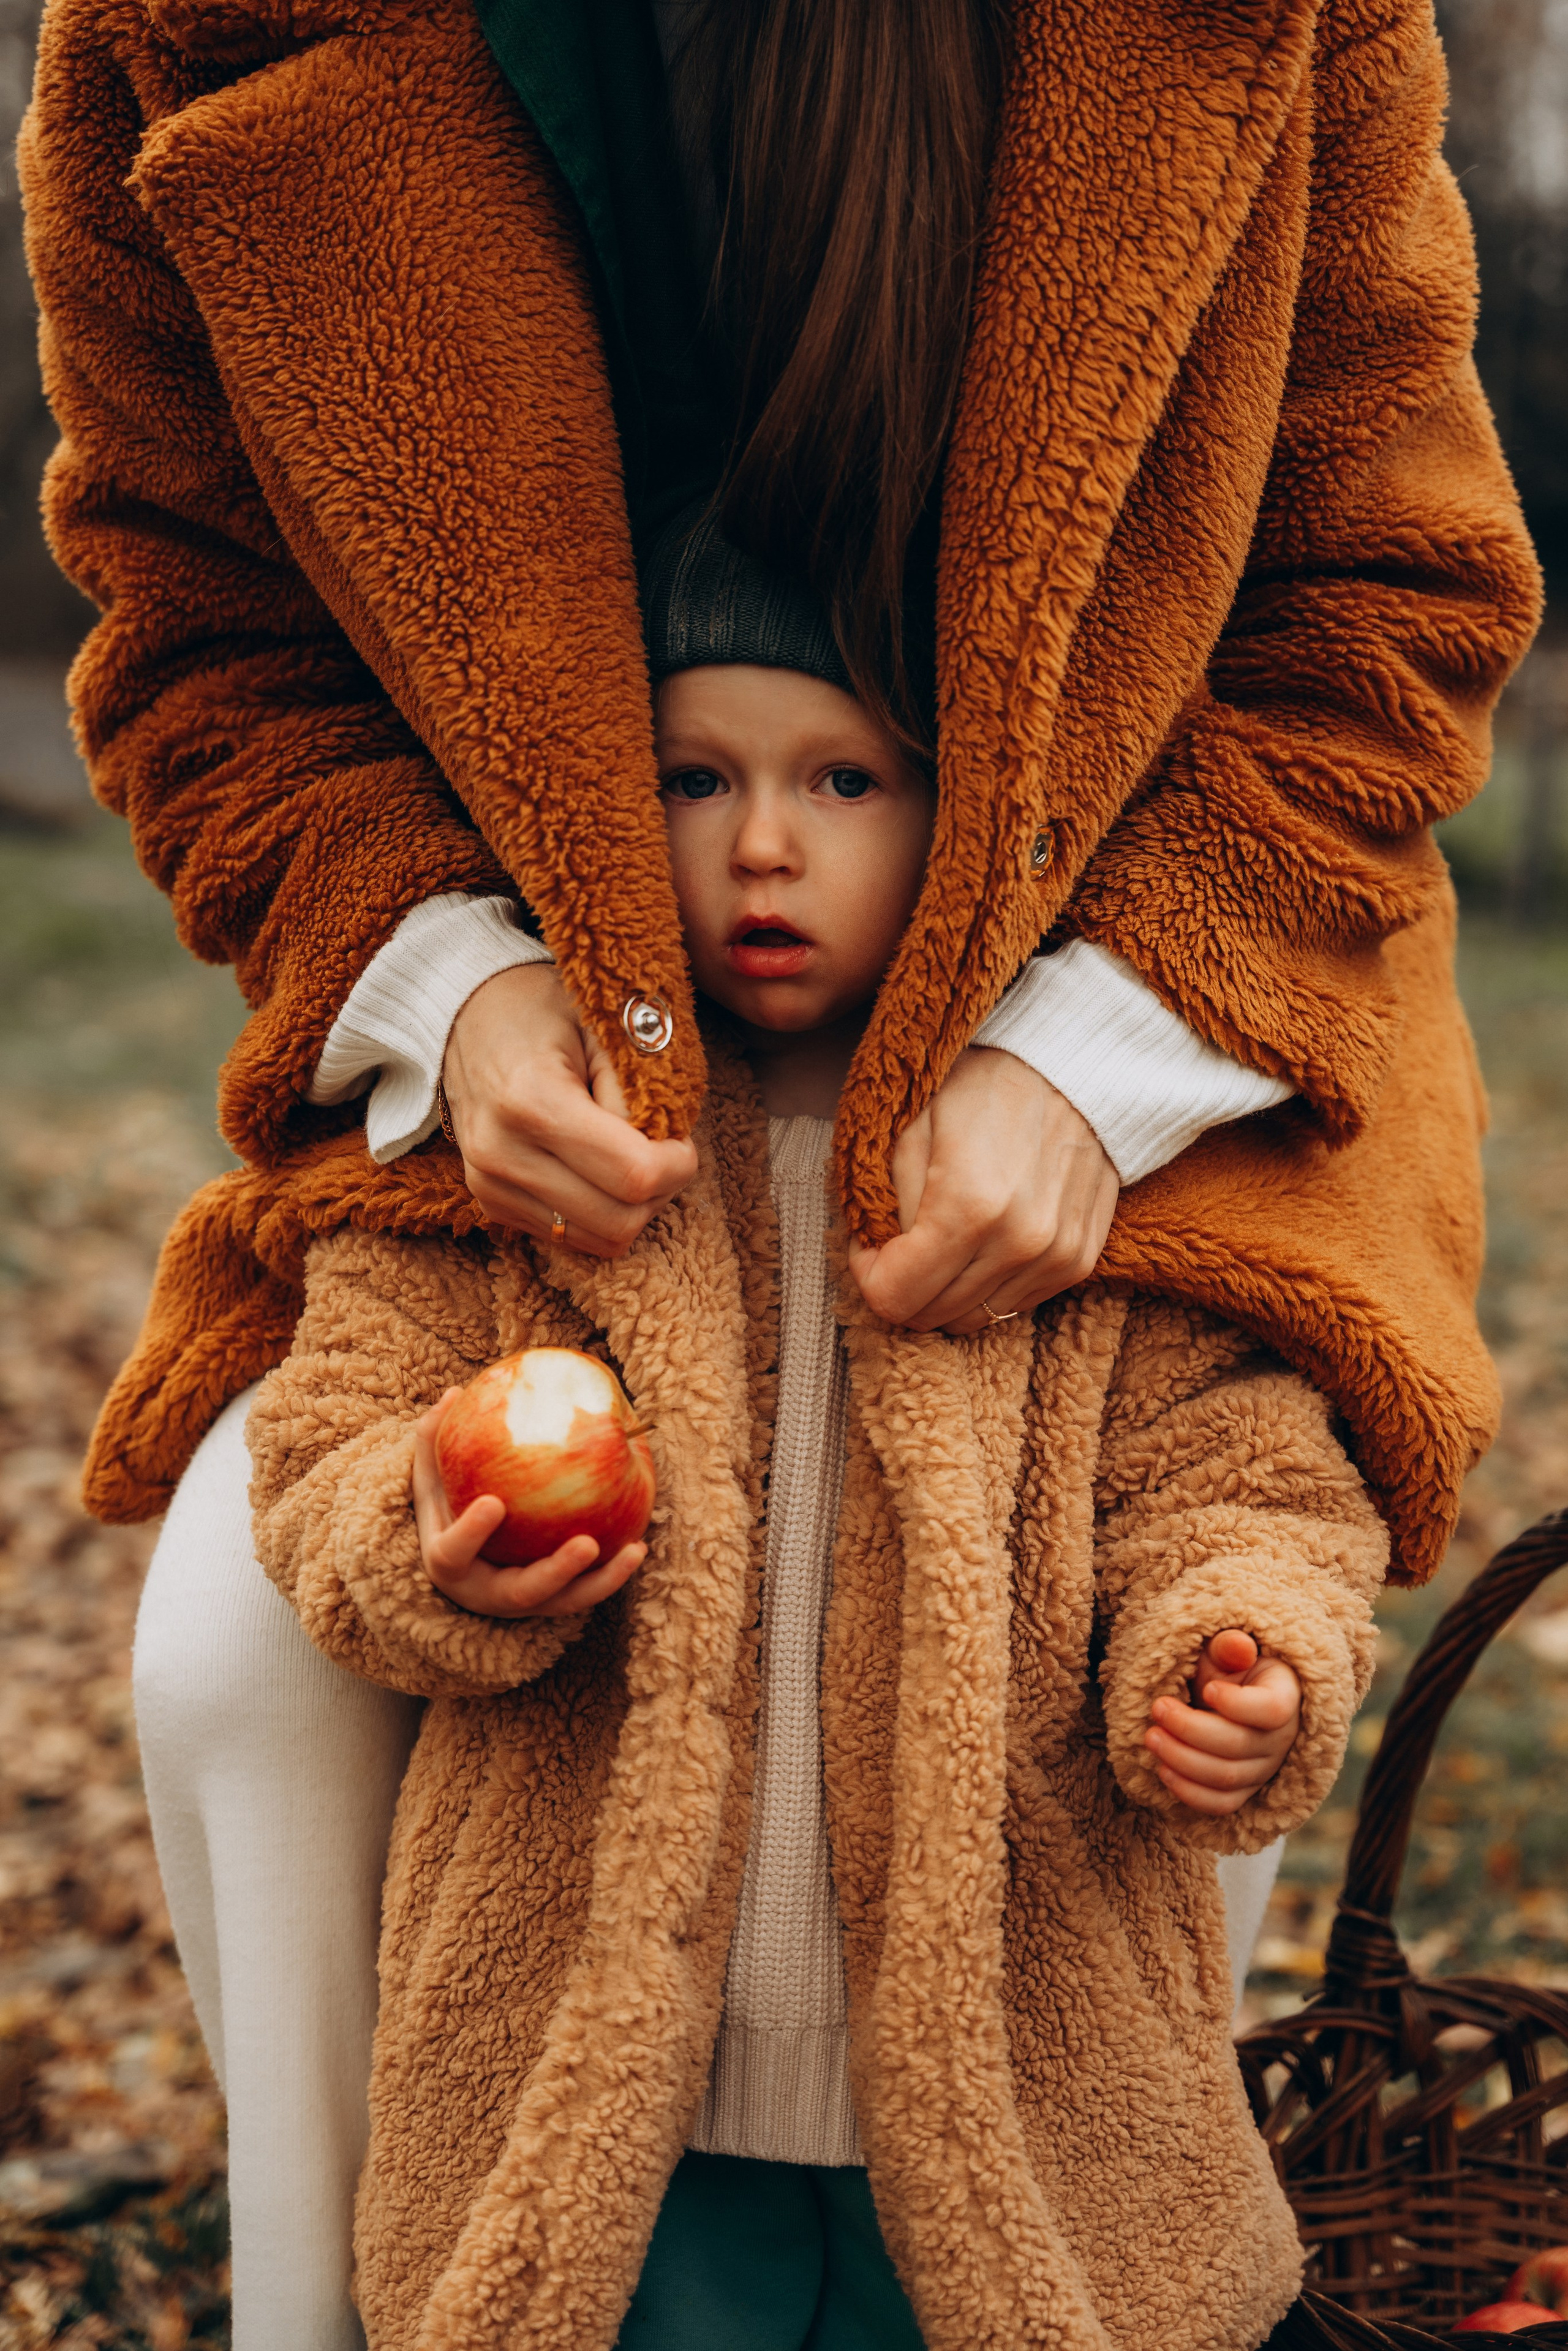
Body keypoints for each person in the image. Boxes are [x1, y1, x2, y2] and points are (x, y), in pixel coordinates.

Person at [18, 0, 1536, 2338]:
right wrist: (439, 974)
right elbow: (198, 629)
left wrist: (1105, 1049)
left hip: (1187, 988)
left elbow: (1387, 605)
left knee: (1096, 1651)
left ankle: (1079, 2208)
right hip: (535, 1021)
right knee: (236, 1663)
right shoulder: (188, 27)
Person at [246, 535, 1387, 2350]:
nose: (761, 844)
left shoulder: (1065, 1182)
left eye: (845, 780)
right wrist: (422, 1534)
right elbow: (322, 1448)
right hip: (622, 2101)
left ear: (970, 815)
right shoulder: (529, 1157)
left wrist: (1235, 1653)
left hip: (995, 2093)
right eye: (694, 779)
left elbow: (1242, 1479)